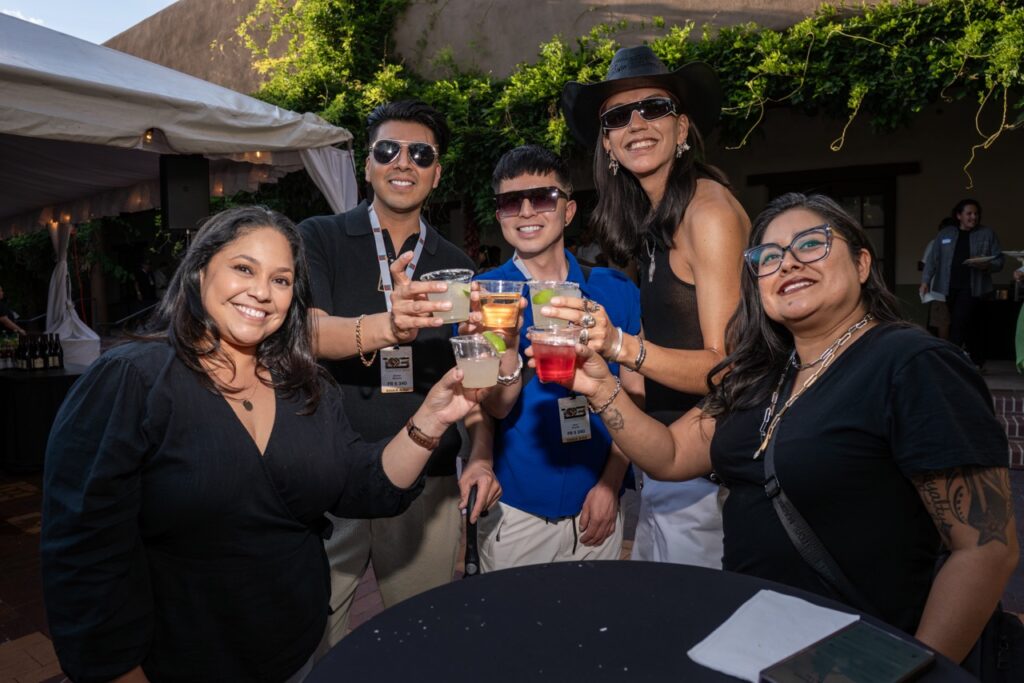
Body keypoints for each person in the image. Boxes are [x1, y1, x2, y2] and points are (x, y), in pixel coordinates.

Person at [548, 192, 1018, 665]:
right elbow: (669, 454)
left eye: (811, 244)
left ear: (861, 263)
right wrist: (601, 387)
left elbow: (985, 551)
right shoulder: (761, 373)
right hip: (753, 642)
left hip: (860, 655)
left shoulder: (912, 363)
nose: (788, 263)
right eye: (768, 258)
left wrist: (916, 672)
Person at [40, 206, 486, 682]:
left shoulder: (307, 386)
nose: (261, 292)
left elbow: (363, 483)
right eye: (243, 268)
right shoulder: (134, 379)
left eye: (281, 280)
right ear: (198, 271)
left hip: (294, 654)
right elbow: (83, 550)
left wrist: (431, 418)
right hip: (176, 664)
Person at [297, 100, 491, 649]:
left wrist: (480, 454)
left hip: (427, 482)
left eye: (420, 153)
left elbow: (473, 378)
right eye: (388, 150)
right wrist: (388, 326)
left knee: (421, 635)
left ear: (437, 172)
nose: (402, 162)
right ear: (367, 165)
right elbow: (304, 332)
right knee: (315, 628)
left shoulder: (456, 263)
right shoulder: (321, 237)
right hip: (332, 469)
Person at [561, 45, 750, 567]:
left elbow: (727, 366)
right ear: (608, 141)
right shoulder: (657, 220)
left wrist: (619, 345)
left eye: (655, 108)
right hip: (668, 464)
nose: (636, 123)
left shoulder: (707, 212)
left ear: (682, 127)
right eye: (618, 116)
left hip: (710, 479)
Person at [459, 145, 642, 570]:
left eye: (542, 198)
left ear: (569, 210)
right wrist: (505, 356)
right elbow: (489, 407)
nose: (526, 212)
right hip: (517, 512)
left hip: (596, 502)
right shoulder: (484, 295)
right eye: (510, 202)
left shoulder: (615, 290)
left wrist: (610, 485)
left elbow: (635, 395)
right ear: (499, 215)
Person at [921, 198, 1004, 368]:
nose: (973, 217)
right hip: (949, 287)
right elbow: (932, 260)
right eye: (969, 213)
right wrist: (925, 281)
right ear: (959, 215)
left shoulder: (987, 233)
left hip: (975, 287)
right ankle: (977, 361)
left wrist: (987, 265)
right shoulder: (945, 234)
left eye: (976, 214)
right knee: (968, 325)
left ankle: (950, 363)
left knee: (958, 323)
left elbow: (999, 260)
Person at [919, 216, 959, 340]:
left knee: (943, 321)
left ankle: (946, 348)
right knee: (945, 321)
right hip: (946, 291)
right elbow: (926, 265)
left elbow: (925, 264)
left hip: (944, 290)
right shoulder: (938, 243)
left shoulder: (936, 242)